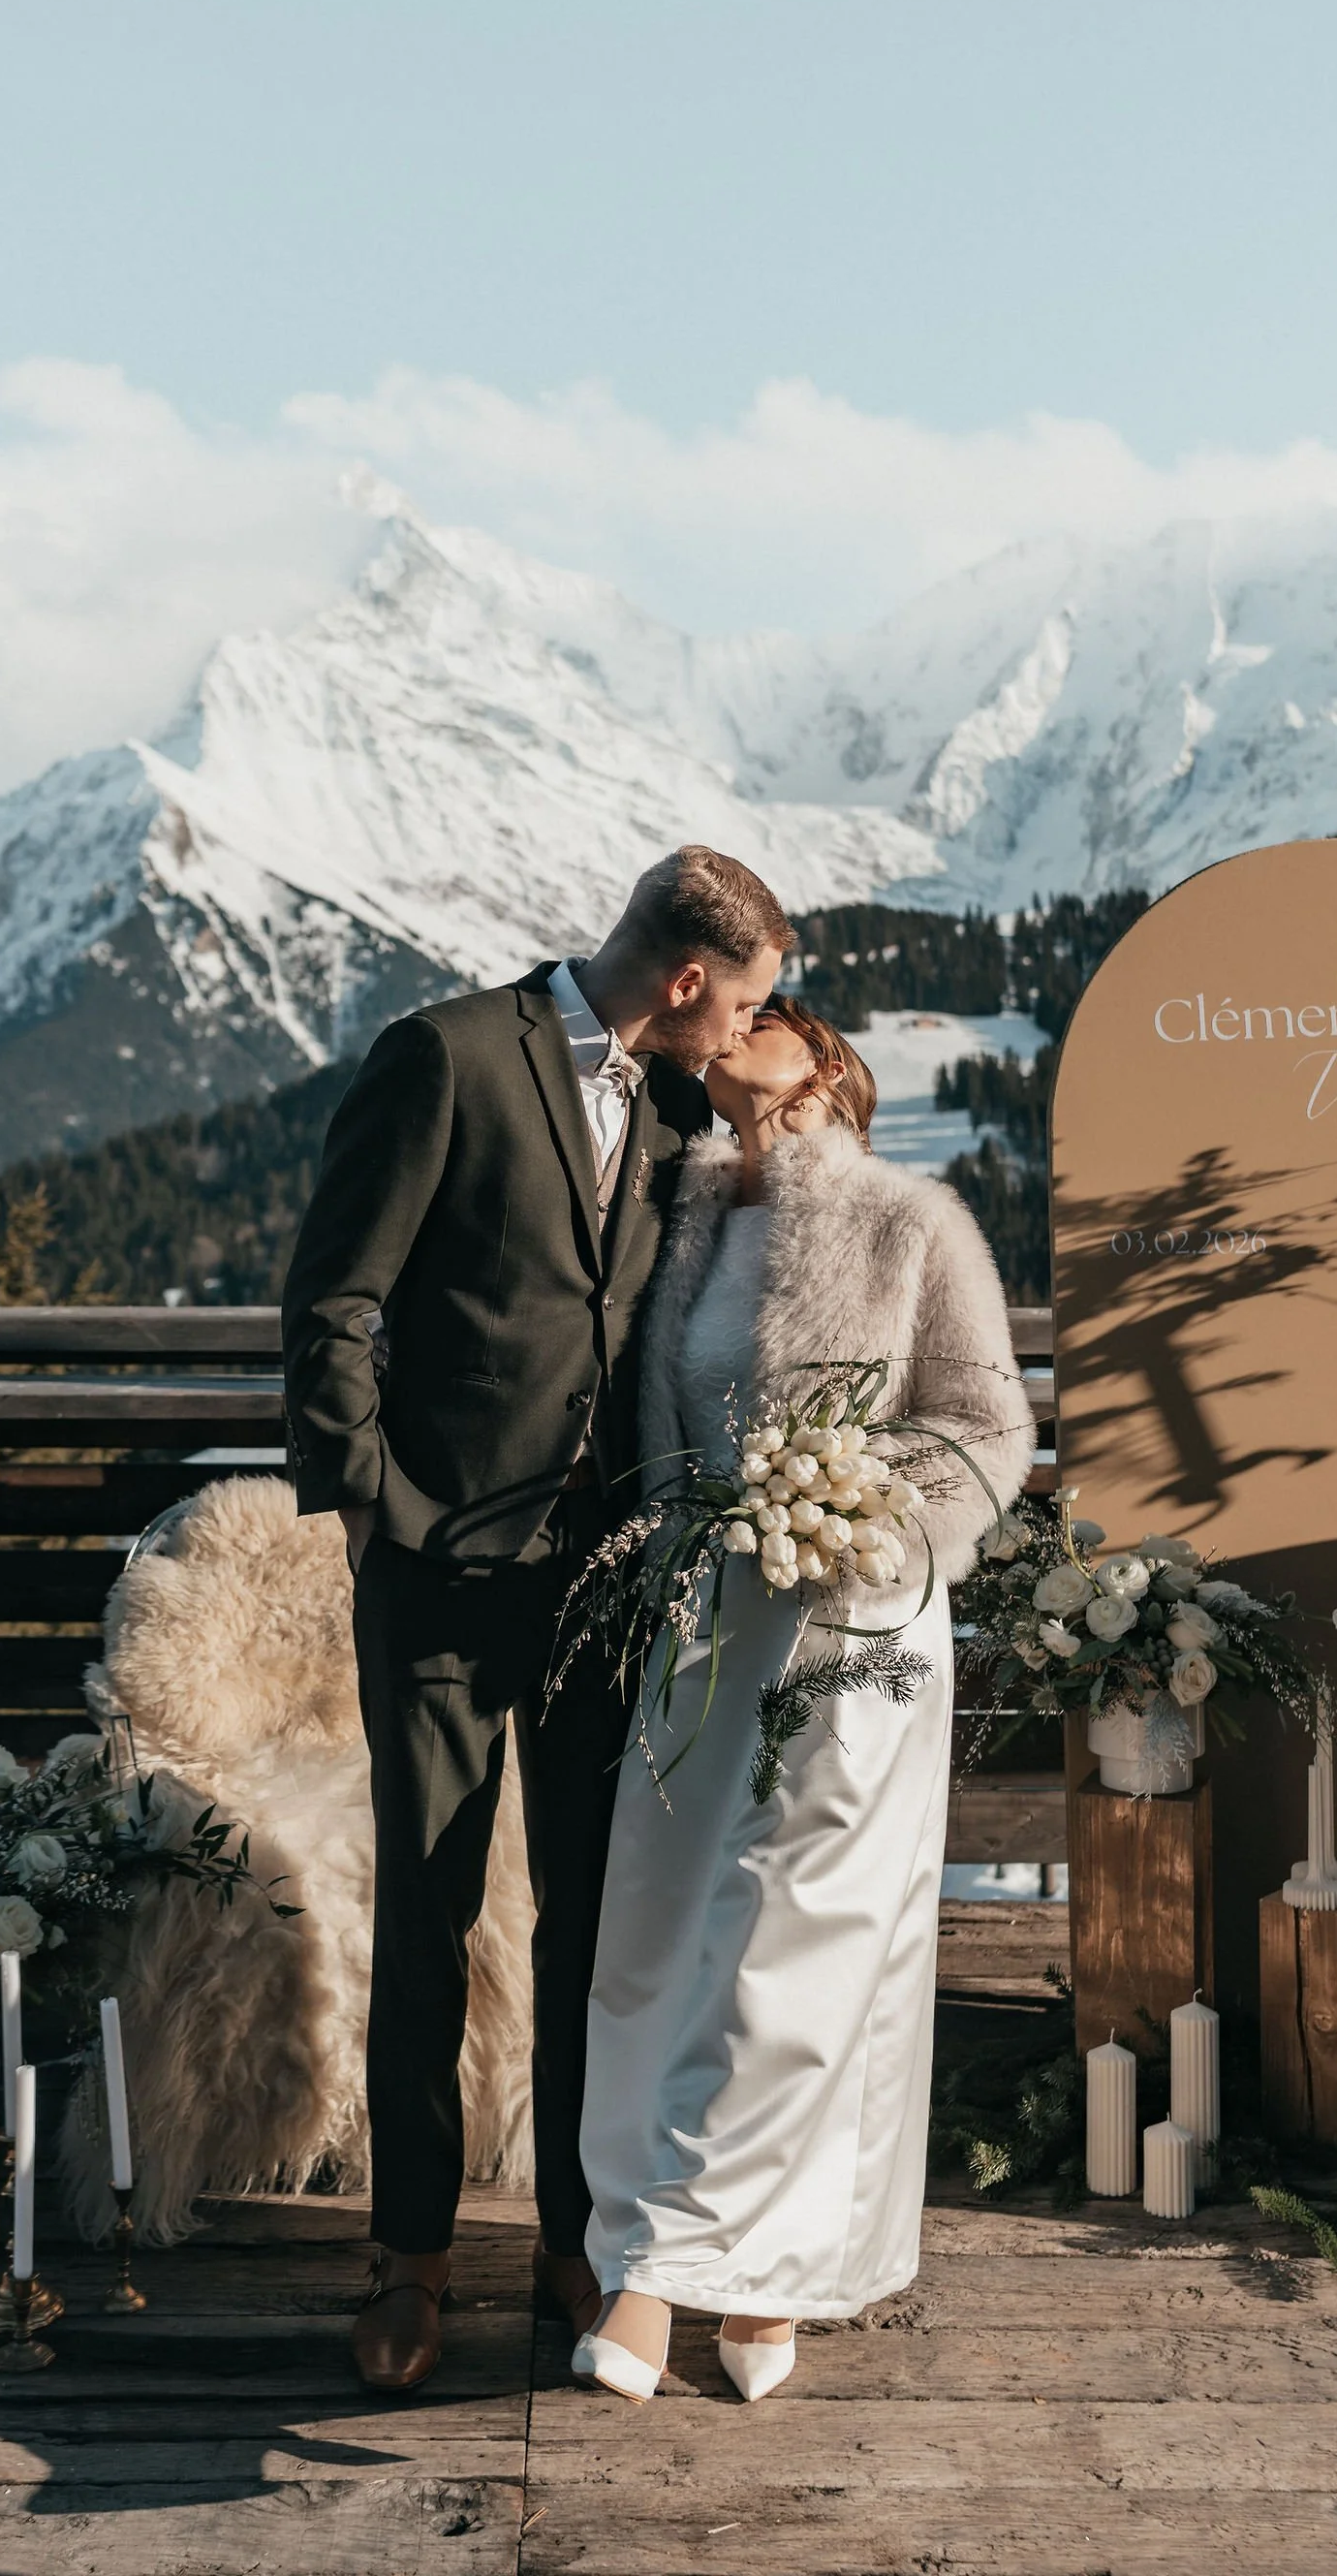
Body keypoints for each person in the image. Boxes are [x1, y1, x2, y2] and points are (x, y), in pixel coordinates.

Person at [281, 846, 791, 2390]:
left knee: (591, 1923)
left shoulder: (684, 1101)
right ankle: (410, 2256)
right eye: (751, 1000)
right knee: (429, 1922)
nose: (755, 1026)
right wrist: (372, 1503)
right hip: (436, 1572)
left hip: (604, 1581)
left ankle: (578, 2241)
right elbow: (333, 1296)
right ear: (688, 980)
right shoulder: (443, 1057)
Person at [572, 996, 1035, 2403]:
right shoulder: (692, 1225)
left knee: (795, 1942)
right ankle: (758, 2268)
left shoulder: (915, 1221)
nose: (735, 1024)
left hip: (858, 1628)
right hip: (705, 1627)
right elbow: (657, 1437)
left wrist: (864, 1512)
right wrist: (671, 1550)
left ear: (824, 1066)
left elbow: (990, 1429)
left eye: (768, 1010)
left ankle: (658, 2272)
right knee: (661, 1938)